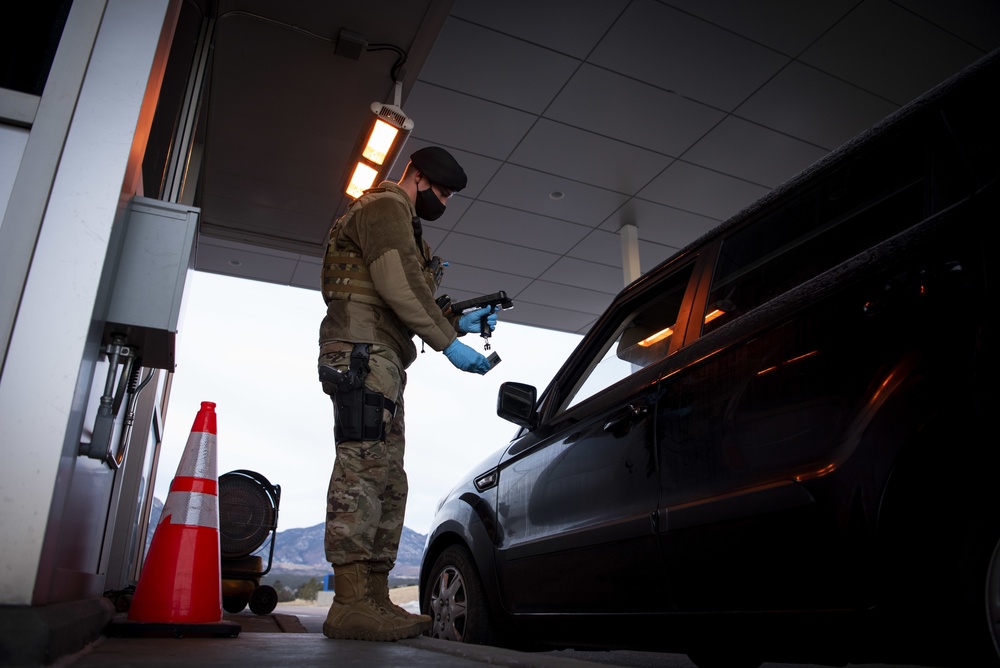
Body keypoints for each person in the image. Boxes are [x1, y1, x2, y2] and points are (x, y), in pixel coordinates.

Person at [316, 146, 498, 641]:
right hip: (361, 352)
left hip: (383, 356)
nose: (442, 202)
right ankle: (349, 603)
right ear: (415, 176)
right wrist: (449, 343)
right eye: (438, 192)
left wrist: (457, 320)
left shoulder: (403, 222)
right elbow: (398, 286)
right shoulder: (385, 207)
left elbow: (404, 296)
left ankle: (374, 597)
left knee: (389, 477)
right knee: (362, 469)